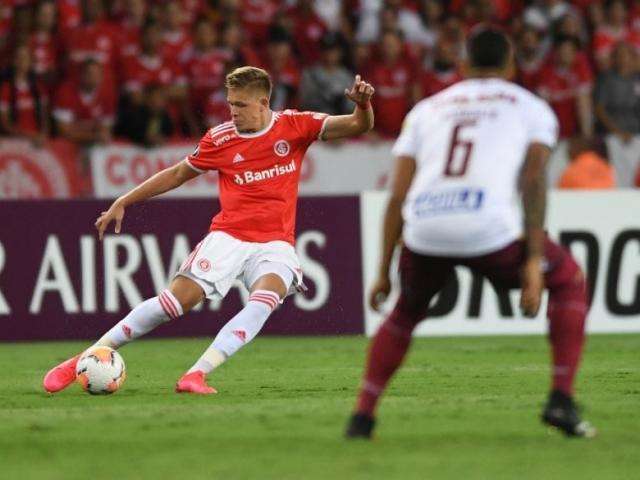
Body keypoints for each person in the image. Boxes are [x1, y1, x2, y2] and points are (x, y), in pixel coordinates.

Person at [43, 66, 375, 395]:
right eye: (230, 103)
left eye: (241, 105)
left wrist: (363, 104)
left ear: (263, 103)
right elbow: (176, 174)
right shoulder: (220, 138)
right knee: (172, 303)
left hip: (275, 244)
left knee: (264, 301)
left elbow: (359, 124)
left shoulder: (296, 126)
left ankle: (196, 375)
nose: (233, 112)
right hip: (227, 237)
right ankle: (81, 360)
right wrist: (124, 201)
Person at [345, 28, 596, 440]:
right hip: (488, 229)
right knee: (568, 279)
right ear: (511, 67)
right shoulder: (531, 108)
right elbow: (533, 182)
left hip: (425, 227)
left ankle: (362, 417)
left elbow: (398, 195)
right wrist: (533, 261)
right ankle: (561, 400)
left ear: (462, 66)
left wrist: (383, 270)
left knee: (405, 313)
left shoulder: (427, 109)